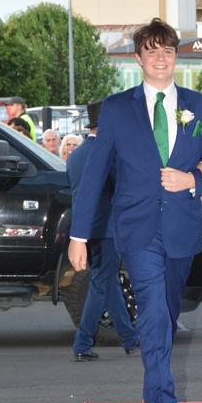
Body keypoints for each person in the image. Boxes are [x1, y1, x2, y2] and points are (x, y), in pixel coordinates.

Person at [68, 18, 202, 403]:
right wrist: (78, 235)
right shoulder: (118, 109)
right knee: (154, 313)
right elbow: (95, 174)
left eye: (168, 50)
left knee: (167, 317)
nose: (160, 58)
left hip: (181, 229)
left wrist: (192, 177)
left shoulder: (200, 106)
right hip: (137, 231)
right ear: (138, 59)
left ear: (177, 57)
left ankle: (148, 393)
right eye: (152, 51)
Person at [67, 100, 139, 361]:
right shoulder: (107, 153)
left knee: (107, 283)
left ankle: (129, 338)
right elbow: (122, 187)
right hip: (109, 228)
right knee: (101, 284)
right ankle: (83, 342)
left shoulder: (75, 155)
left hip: (85, 230)